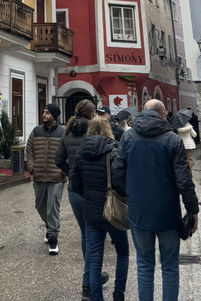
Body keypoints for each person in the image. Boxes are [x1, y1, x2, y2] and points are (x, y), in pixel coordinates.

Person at [112, 99, 199, 301]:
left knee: (144, 265)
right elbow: (184, 180)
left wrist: (131, 193)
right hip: (167, 212)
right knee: (170, 266)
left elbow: (117, 171)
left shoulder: (128, 137)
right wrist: (192, 210)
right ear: (162, 114)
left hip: (139, 211)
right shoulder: (172, 140)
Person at [70, 117, 129, 301]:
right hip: (113, 211)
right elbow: (121, 180)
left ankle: (96, 297)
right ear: (107, 129)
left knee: (94, 258)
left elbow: (74, 183)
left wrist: (88, 194)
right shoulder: (113, 150)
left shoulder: (81, 151)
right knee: (123, 252)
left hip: (91, 211)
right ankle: (118, 293)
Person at [55, 99, 108, 299]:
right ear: (92, 114)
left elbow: (58, 160)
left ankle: (93, 275)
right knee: (95, 236)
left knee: (86, 234)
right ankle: (89, 282)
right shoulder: (94, 131)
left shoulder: (66, 133)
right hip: (93, 189)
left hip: (74, 191)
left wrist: (72, 174)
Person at [26, 102, 65, 255]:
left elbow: (67, 152)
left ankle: (53, 238)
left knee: (52, 208)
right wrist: (31, 167)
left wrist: (63, 169)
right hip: (39, 176)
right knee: (40, 206)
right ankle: (50, 227)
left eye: (47, 113)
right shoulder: (36, 131)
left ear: (54, 116)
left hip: (56, 177)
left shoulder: (62, 132)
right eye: (43, 112)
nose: (44, 115)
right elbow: (29, 149)